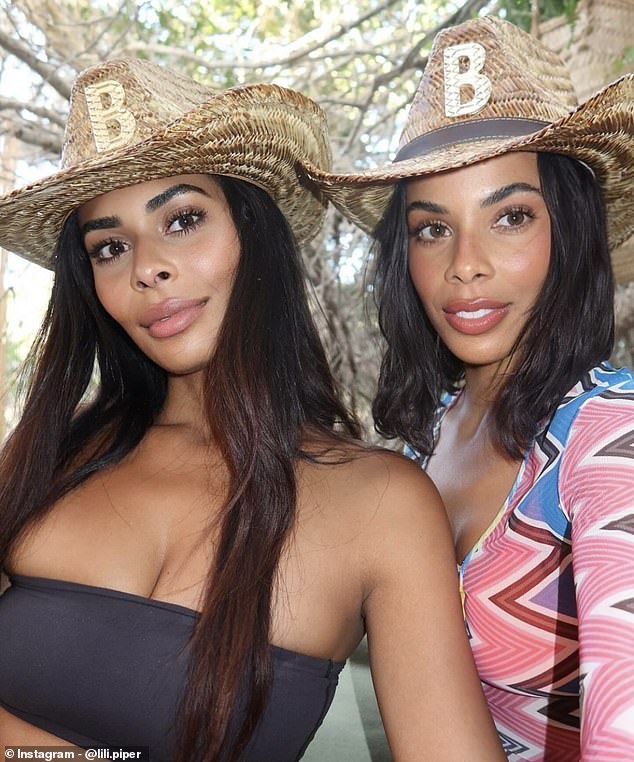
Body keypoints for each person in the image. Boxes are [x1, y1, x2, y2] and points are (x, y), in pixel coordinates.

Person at [0, 59, 505, 762]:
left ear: (250, 231)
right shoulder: (48, 457)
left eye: (182, 220)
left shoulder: (381, 504)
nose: (147, 266)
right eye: (110, 247)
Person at [303, 15, 634, 761]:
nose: (466, 264)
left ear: (570, 232)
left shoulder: (611, 434)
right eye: (431, 228)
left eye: (511, 216)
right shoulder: (434, 432)